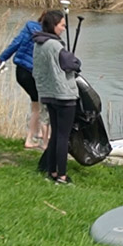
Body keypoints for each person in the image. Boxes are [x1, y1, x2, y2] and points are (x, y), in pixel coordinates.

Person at [32, 10, 81, 185]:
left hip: (47, 94)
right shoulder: (55, 45)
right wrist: (76, 62)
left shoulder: (38, 44)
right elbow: (72, 64)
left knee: (55, 135)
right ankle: (61, 176)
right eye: (62, 25)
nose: (63, 28)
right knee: (62, 136)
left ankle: (51, 171)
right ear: (53, 25)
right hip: (64, 95)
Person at [0, 12, 49, 150]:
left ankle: (37, 133)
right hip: (32, 73)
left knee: (36, 105)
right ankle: (32, 139)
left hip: (20, 71)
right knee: (39, 107)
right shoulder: (47, 37)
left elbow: (15, 44)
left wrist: (1, 59)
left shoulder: (29, 27)